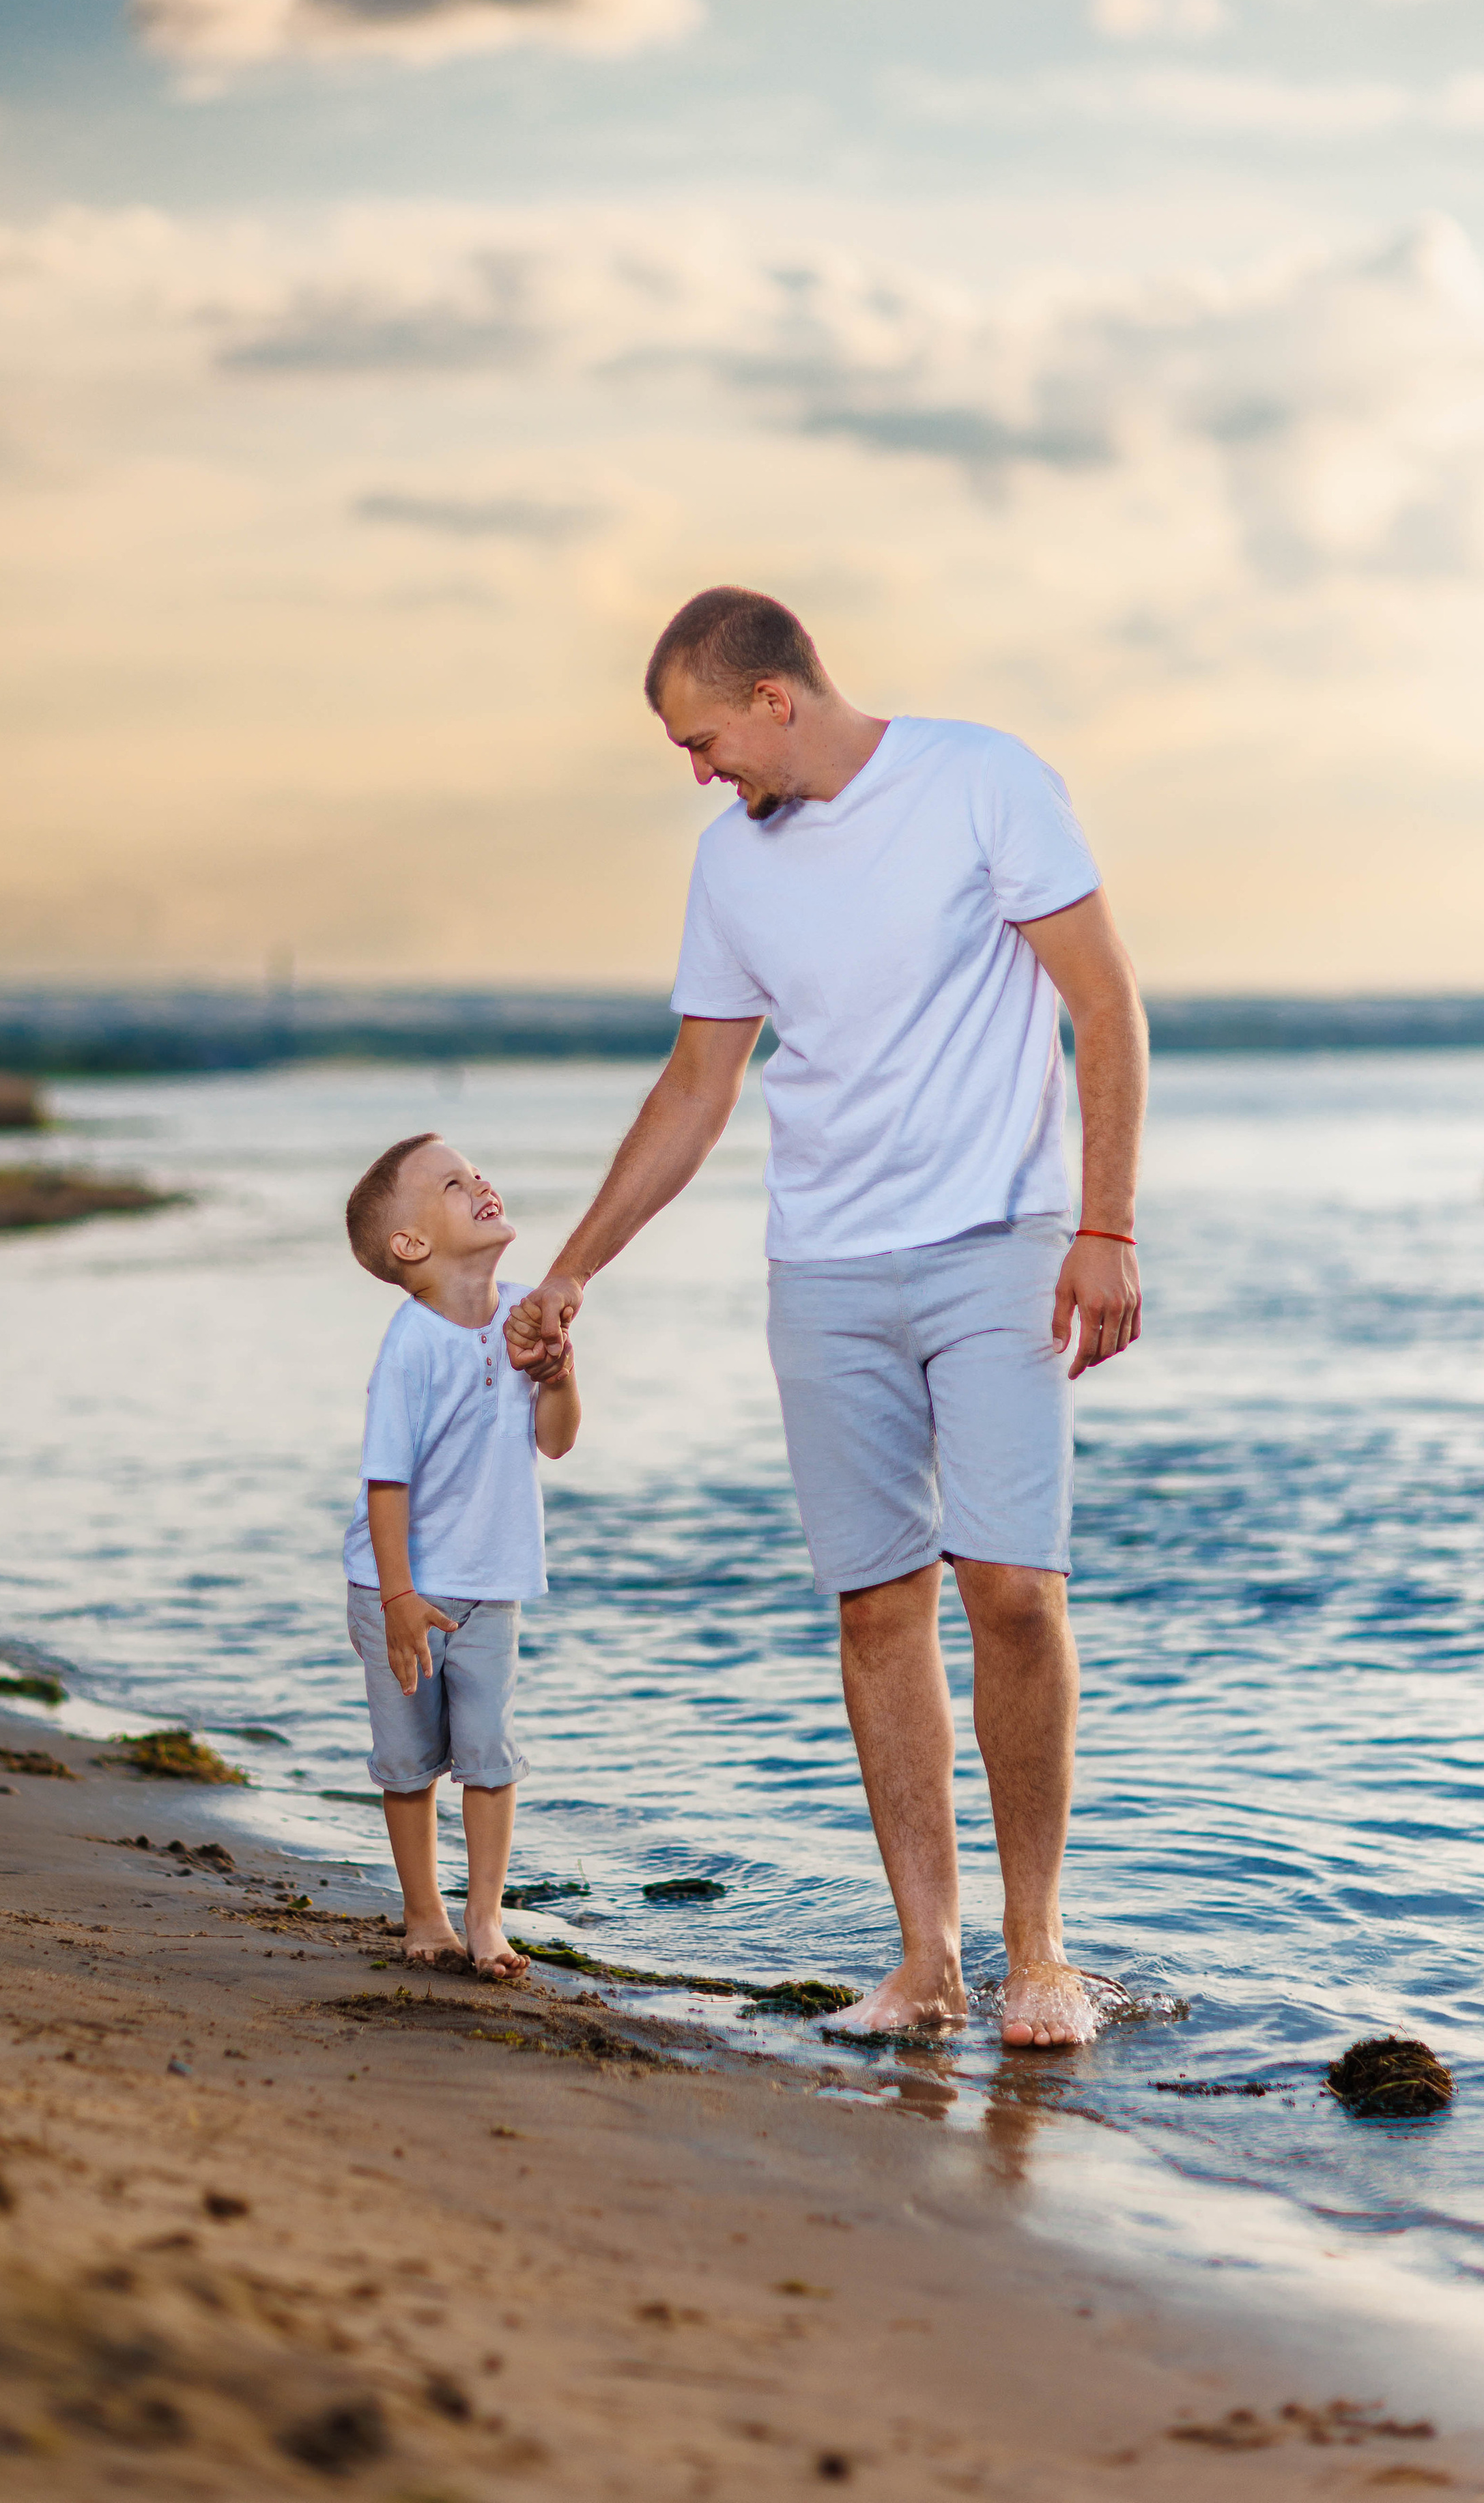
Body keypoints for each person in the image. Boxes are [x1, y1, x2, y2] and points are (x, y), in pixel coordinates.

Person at [507, 587, 1146, 2047]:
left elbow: (1103, 1006)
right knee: (875, 1602)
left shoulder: (980, 780)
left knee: (1012, 1588)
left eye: (704, 738)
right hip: (825, 1270)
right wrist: (573, 1269)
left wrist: (1103, 1227)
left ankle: (1036, 1954)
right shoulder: (729, 867)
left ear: (775, 697)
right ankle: (924, 1967)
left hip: (999, 1241)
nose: (699, 771)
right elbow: (695, 1088)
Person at [343, 1130, 580, 1980]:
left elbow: (554, 1444)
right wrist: (400, 1599)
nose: (481, 1183)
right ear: (410, 1245)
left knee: (488, 1753)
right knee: (408, 1764)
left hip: (492, 1585)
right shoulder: (409, 1346)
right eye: (453, 1183)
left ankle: (486, 1920)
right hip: (397, 1588)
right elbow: (385, 1485)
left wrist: (557, 1375)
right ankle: (423, 1915)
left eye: (477, 1172)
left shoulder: (523, 1311)